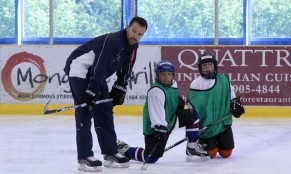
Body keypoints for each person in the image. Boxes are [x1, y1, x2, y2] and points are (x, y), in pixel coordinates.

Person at [63, 16, 148, 172]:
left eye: (139, 34)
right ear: (128, 27)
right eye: (134, 31)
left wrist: (120, 86)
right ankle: (84, 156)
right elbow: (100, 65)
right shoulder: (114, 41)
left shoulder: (133, 47)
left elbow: (126, 68)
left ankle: (110, 152)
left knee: (105, 109)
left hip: (95, 74)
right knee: (85, 110)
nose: (135, 36)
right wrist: (91, 90)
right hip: (79, 69)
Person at [117, 60, 208, 164]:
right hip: (156, 128)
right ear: (157, 76)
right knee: (150, 158)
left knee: (193, 115)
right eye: (163, 74)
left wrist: (177, 102)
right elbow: (156, 112)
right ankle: (125, 149)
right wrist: (160, 129)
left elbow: (169, 99)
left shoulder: (172, 84)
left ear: (173, 75)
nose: (166, 77)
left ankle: (192, 146)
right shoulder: (156, 91)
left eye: (169, 74)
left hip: (171, 120)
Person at [186, 52, 245, 160]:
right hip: (206, 126)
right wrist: (194, 127)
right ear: (200, 68)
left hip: (223, 123)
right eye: (204, 66)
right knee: (211, 154)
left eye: (210, 65)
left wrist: (235, 103)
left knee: (226, 153)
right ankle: (201, 141)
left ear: (214, 66)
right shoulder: (196, 84)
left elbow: (231, 95)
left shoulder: (224, 80)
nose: (208, 68)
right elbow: (192, 107)